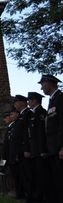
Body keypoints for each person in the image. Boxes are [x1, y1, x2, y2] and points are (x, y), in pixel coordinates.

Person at [38, 74, 63, 202]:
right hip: (53, 148)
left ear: (48, 83)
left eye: (42, 85)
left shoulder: (60, 98)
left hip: (59, 148)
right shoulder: (52, 101)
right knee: (57, 180)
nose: (42, 88)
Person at [25, 92, 49, 202]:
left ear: (35, 101)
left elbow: (41, 133)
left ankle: (45, 196)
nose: (28, 103)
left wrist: (43, 149)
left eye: (29, 100)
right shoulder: (33, 114)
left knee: (43, 176)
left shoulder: (41, 113)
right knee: (37, 175)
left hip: (40, 151)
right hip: (35, 150)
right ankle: (39, 196)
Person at [11, 94, 32, 200]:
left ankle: (31, 196)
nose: (14, 105)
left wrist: (26, 149)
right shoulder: (22, 116)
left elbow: (27, 134)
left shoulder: (27, 115)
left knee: (28, 175)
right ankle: (28, 195)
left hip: (24, 150)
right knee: (24, 176)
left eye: (15, 103)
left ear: (20, 103)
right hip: (20, 151)